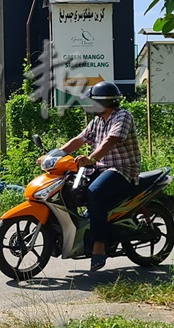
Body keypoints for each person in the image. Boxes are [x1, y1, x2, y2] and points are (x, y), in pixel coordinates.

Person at [57, 81, 141, 271]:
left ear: (104, 102)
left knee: (95, 191)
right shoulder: (97, 121)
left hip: (122, 169)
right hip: (100, 167)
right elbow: (79, 139)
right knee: (71, 187)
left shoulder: (122, 115)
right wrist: (54, 155)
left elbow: (111, 141)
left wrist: (92, 158)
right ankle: (85, 229)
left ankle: (99, 245)